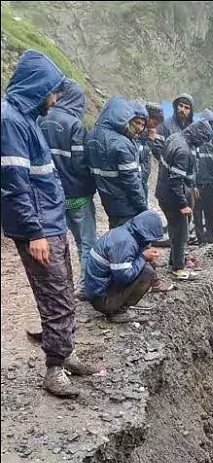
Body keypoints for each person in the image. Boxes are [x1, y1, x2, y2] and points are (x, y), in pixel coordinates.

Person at [1, 49, 99, 399]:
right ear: (37, 88)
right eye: (51, 91)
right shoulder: (11, 121)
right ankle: (54, 368)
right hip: (40, 227)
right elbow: (14, 184)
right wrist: (34, 232)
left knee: (64, 288)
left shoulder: (26, 119)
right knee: (55, 295)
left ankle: (66, 353)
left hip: (52, 222)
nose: (55, 98)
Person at [38, 79, 96, 300]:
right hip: (77, 195)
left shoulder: (39, 119)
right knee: (86, 242)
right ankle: (87, 286)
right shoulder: (74, 125)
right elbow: (80, 164)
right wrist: (90, 185)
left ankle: (61, 290)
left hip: (51, 196)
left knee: (58, 243)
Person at [155, 120, 213, 280]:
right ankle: (178, 269)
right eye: (202, 139)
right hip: (173, 197)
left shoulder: (174, 137)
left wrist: (191, 185)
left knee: (174, 229)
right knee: (181, 232)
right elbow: (176, 181)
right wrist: (183, 204)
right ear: (198, 135)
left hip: (163, 192)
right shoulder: (183, 150)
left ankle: (173, 261)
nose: (201, 144)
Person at [84, 210, 163, 323]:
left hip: (99, 290)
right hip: (102, 299)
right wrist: (142, 258)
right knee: (147, 272)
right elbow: (123, 277)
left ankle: (118, 304)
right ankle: (118, 311)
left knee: (144, 267)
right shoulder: (125, 242)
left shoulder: (125, 232)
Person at [86, 96, 148, 229]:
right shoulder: (121, 143)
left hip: (109, 202)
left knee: (116, 237)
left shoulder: (91, 136)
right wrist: (143, 207)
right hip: (126, 205)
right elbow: (131, 182)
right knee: (128, 243)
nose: (139, 128)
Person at [193, 108, 213, 244]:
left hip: (211, 184)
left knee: (212, 212)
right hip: (197, 184)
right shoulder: (194, 141)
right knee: (197, 213)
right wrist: (192, 184)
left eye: (211, 124)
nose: (208, 127)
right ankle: (200, 238)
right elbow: (190, 164)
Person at [151, 93, 194, 161]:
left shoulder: (193, 128)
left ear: (191, 111)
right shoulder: (165, 125)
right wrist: (170, 162)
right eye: (180, 105)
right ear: (176, 106)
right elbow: (157, 148)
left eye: (186, 108)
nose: (182, 110)